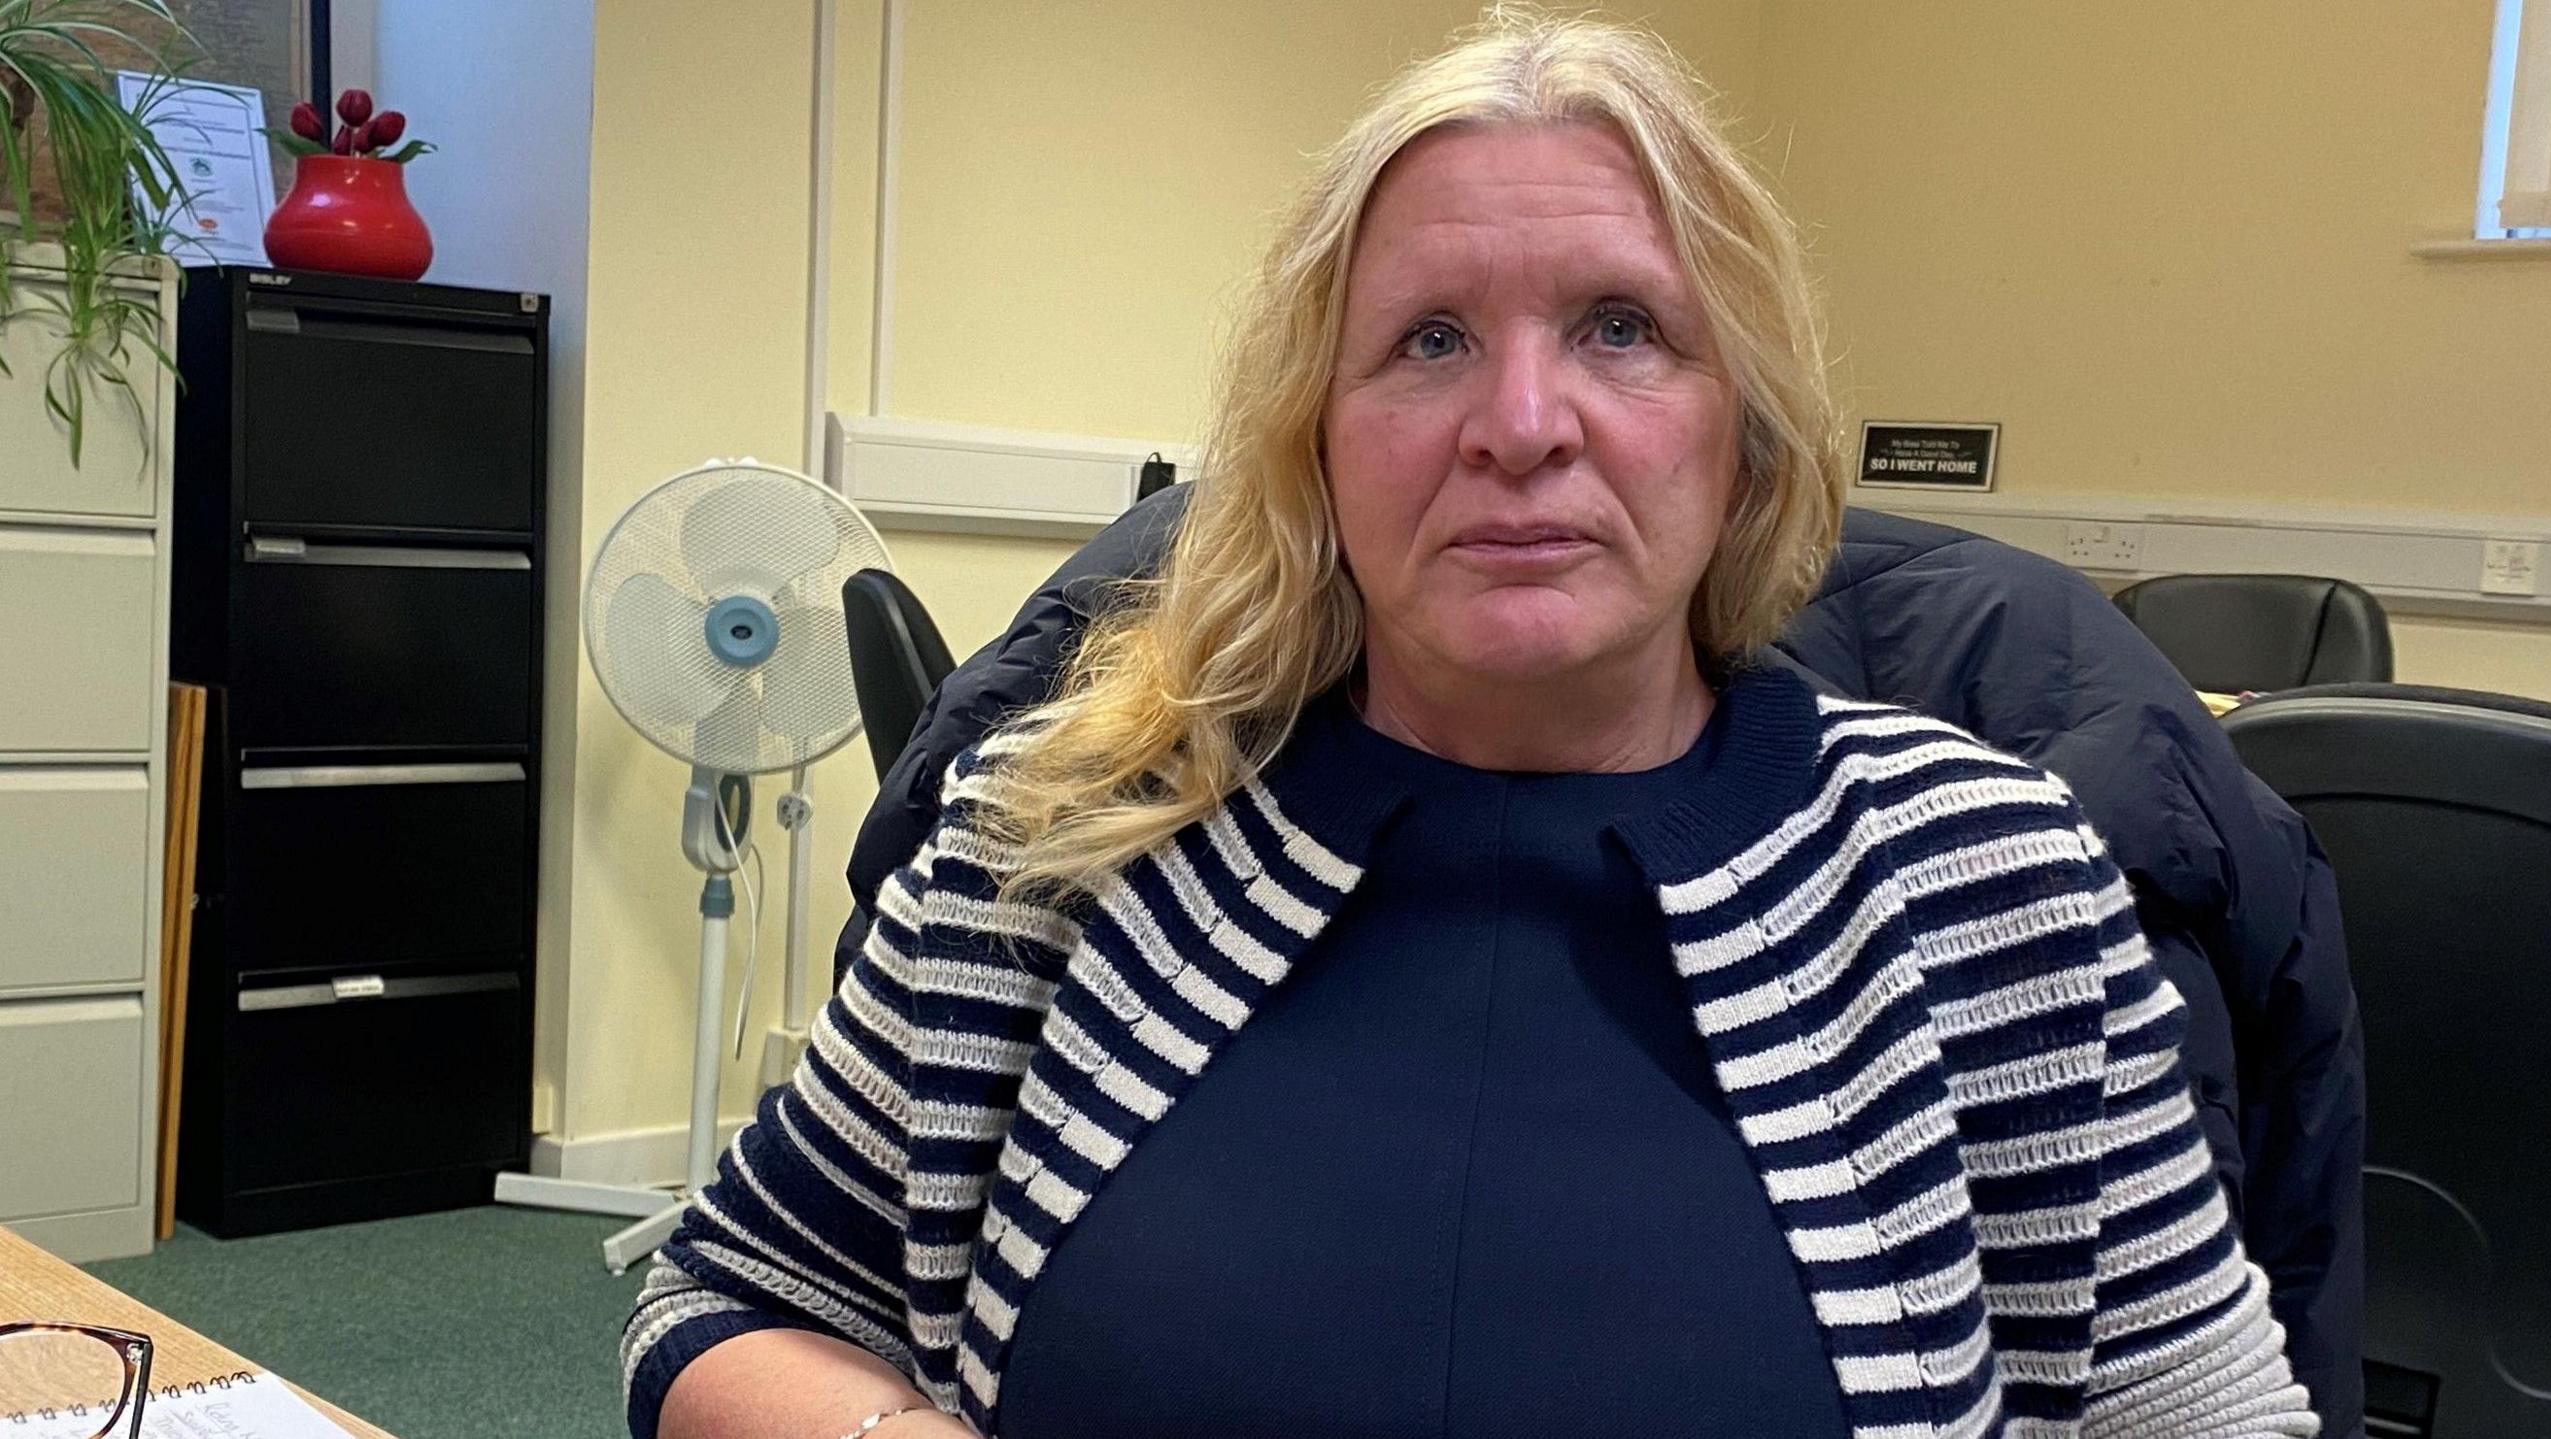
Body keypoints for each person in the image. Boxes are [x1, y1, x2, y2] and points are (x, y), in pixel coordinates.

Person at [623, 15, 2319, 1438]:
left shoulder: (1987, 884)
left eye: (1621, 329)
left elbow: (2213, 1417)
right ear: (1315, 443)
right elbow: (718, 1297)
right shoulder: (1055, 844)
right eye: (1429, 340)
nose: (1522, 425)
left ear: (1743, 429)